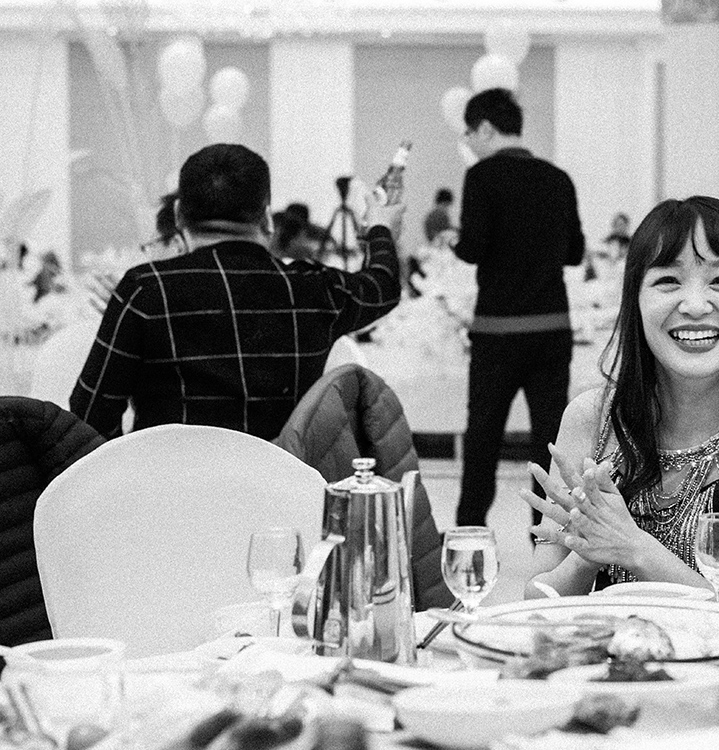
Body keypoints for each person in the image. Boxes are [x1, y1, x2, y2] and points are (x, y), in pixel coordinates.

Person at [522, 196, 719, 597]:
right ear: (636, 304)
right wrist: (585, 554)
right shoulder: (593, 418)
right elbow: (536, 600)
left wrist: (635, 549)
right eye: (668, 281)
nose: (694, 306)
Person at [70, 143, 404, 441]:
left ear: (178, 215)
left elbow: (90, 412)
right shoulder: (314, 289)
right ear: (267, 219)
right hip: (281, 487)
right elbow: (382, 285)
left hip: (170, 486)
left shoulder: (145, 289)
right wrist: (380, 229)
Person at [454, 88, 586, 527]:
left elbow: (473, 248)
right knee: (550, 439)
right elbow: (574, 253)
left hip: (498, 329)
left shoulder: (481, 177)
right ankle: (547, 538)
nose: (468, 142)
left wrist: (456, 241)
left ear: (485, 129)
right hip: (551, 327)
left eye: (469, 133)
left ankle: (471, 531)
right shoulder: (558, 178)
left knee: (483, 437)